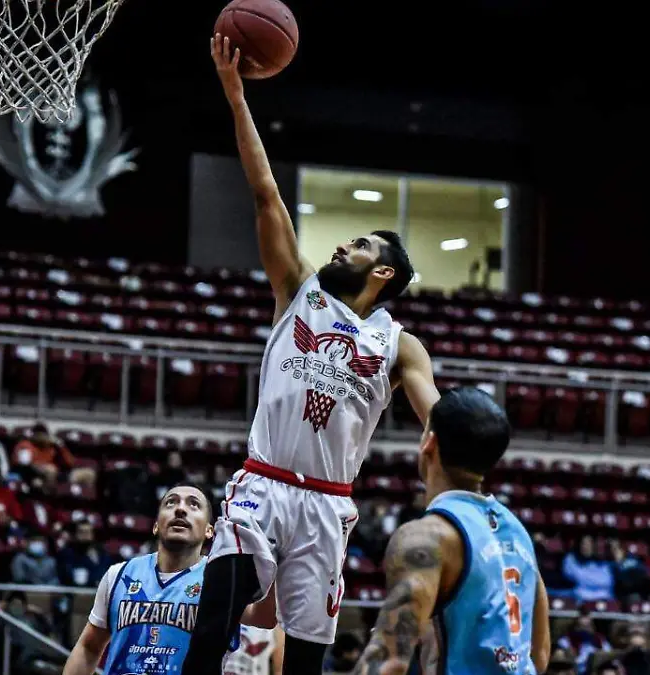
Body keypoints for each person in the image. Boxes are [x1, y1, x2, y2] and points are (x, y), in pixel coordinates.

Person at [182, 35, 440, 675]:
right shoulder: (298, 290)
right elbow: (266, 191)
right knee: (216, 615)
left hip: (328, 502)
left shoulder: (400, 343)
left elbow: (438, 415)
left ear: (381, 271)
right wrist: (236, 96)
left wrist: (452, 462)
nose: (340, 247)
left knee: (306, 656)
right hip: (262, 484)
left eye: (357, 244)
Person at [351, 387, 549, 674]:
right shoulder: (517, 532)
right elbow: (538, 655)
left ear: (428, 443)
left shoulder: (425, 538)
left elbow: (389, 662)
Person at [61, 484, 275, 675]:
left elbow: (264, 618)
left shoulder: (222, 580)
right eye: (171, 503)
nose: (180, 509)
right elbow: (88, 648)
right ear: (155, 525)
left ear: (210, 530)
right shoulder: (119, 575)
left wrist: (278, 560)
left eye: (194, 505)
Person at [564, 535, 617, 602]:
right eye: (583, 544)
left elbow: (606, 581)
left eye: (589, 544)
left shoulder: (606, 564)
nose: (585, 547)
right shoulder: (571, 559)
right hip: (580, 600)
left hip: (605, 601)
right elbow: (575, 577)